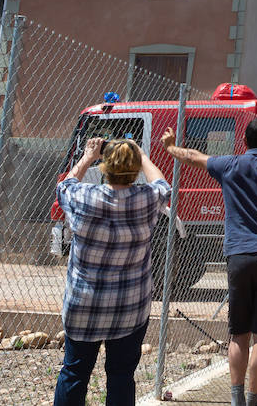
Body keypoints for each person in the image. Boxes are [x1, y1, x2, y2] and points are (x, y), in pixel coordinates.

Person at [161, 117, 257, 406]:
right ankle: (254, 401)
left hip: (239, 257)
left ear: (245, 141)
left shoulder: (230, 164)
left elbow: (194, 157)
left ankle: (236, 400)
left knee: (238, 334)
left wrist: (171, 147)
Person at [53, 136, 169, 406]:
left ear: (105, 168)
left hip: (84, 305)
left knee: (74, 371)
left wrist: (88, 156)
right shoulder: (146, 199)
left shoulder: (84, 196)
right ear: (135, 168)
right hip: (129, 308)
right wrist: (141, 155)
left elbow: (64, 186)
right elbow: (163, 185)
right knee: (120, 375)